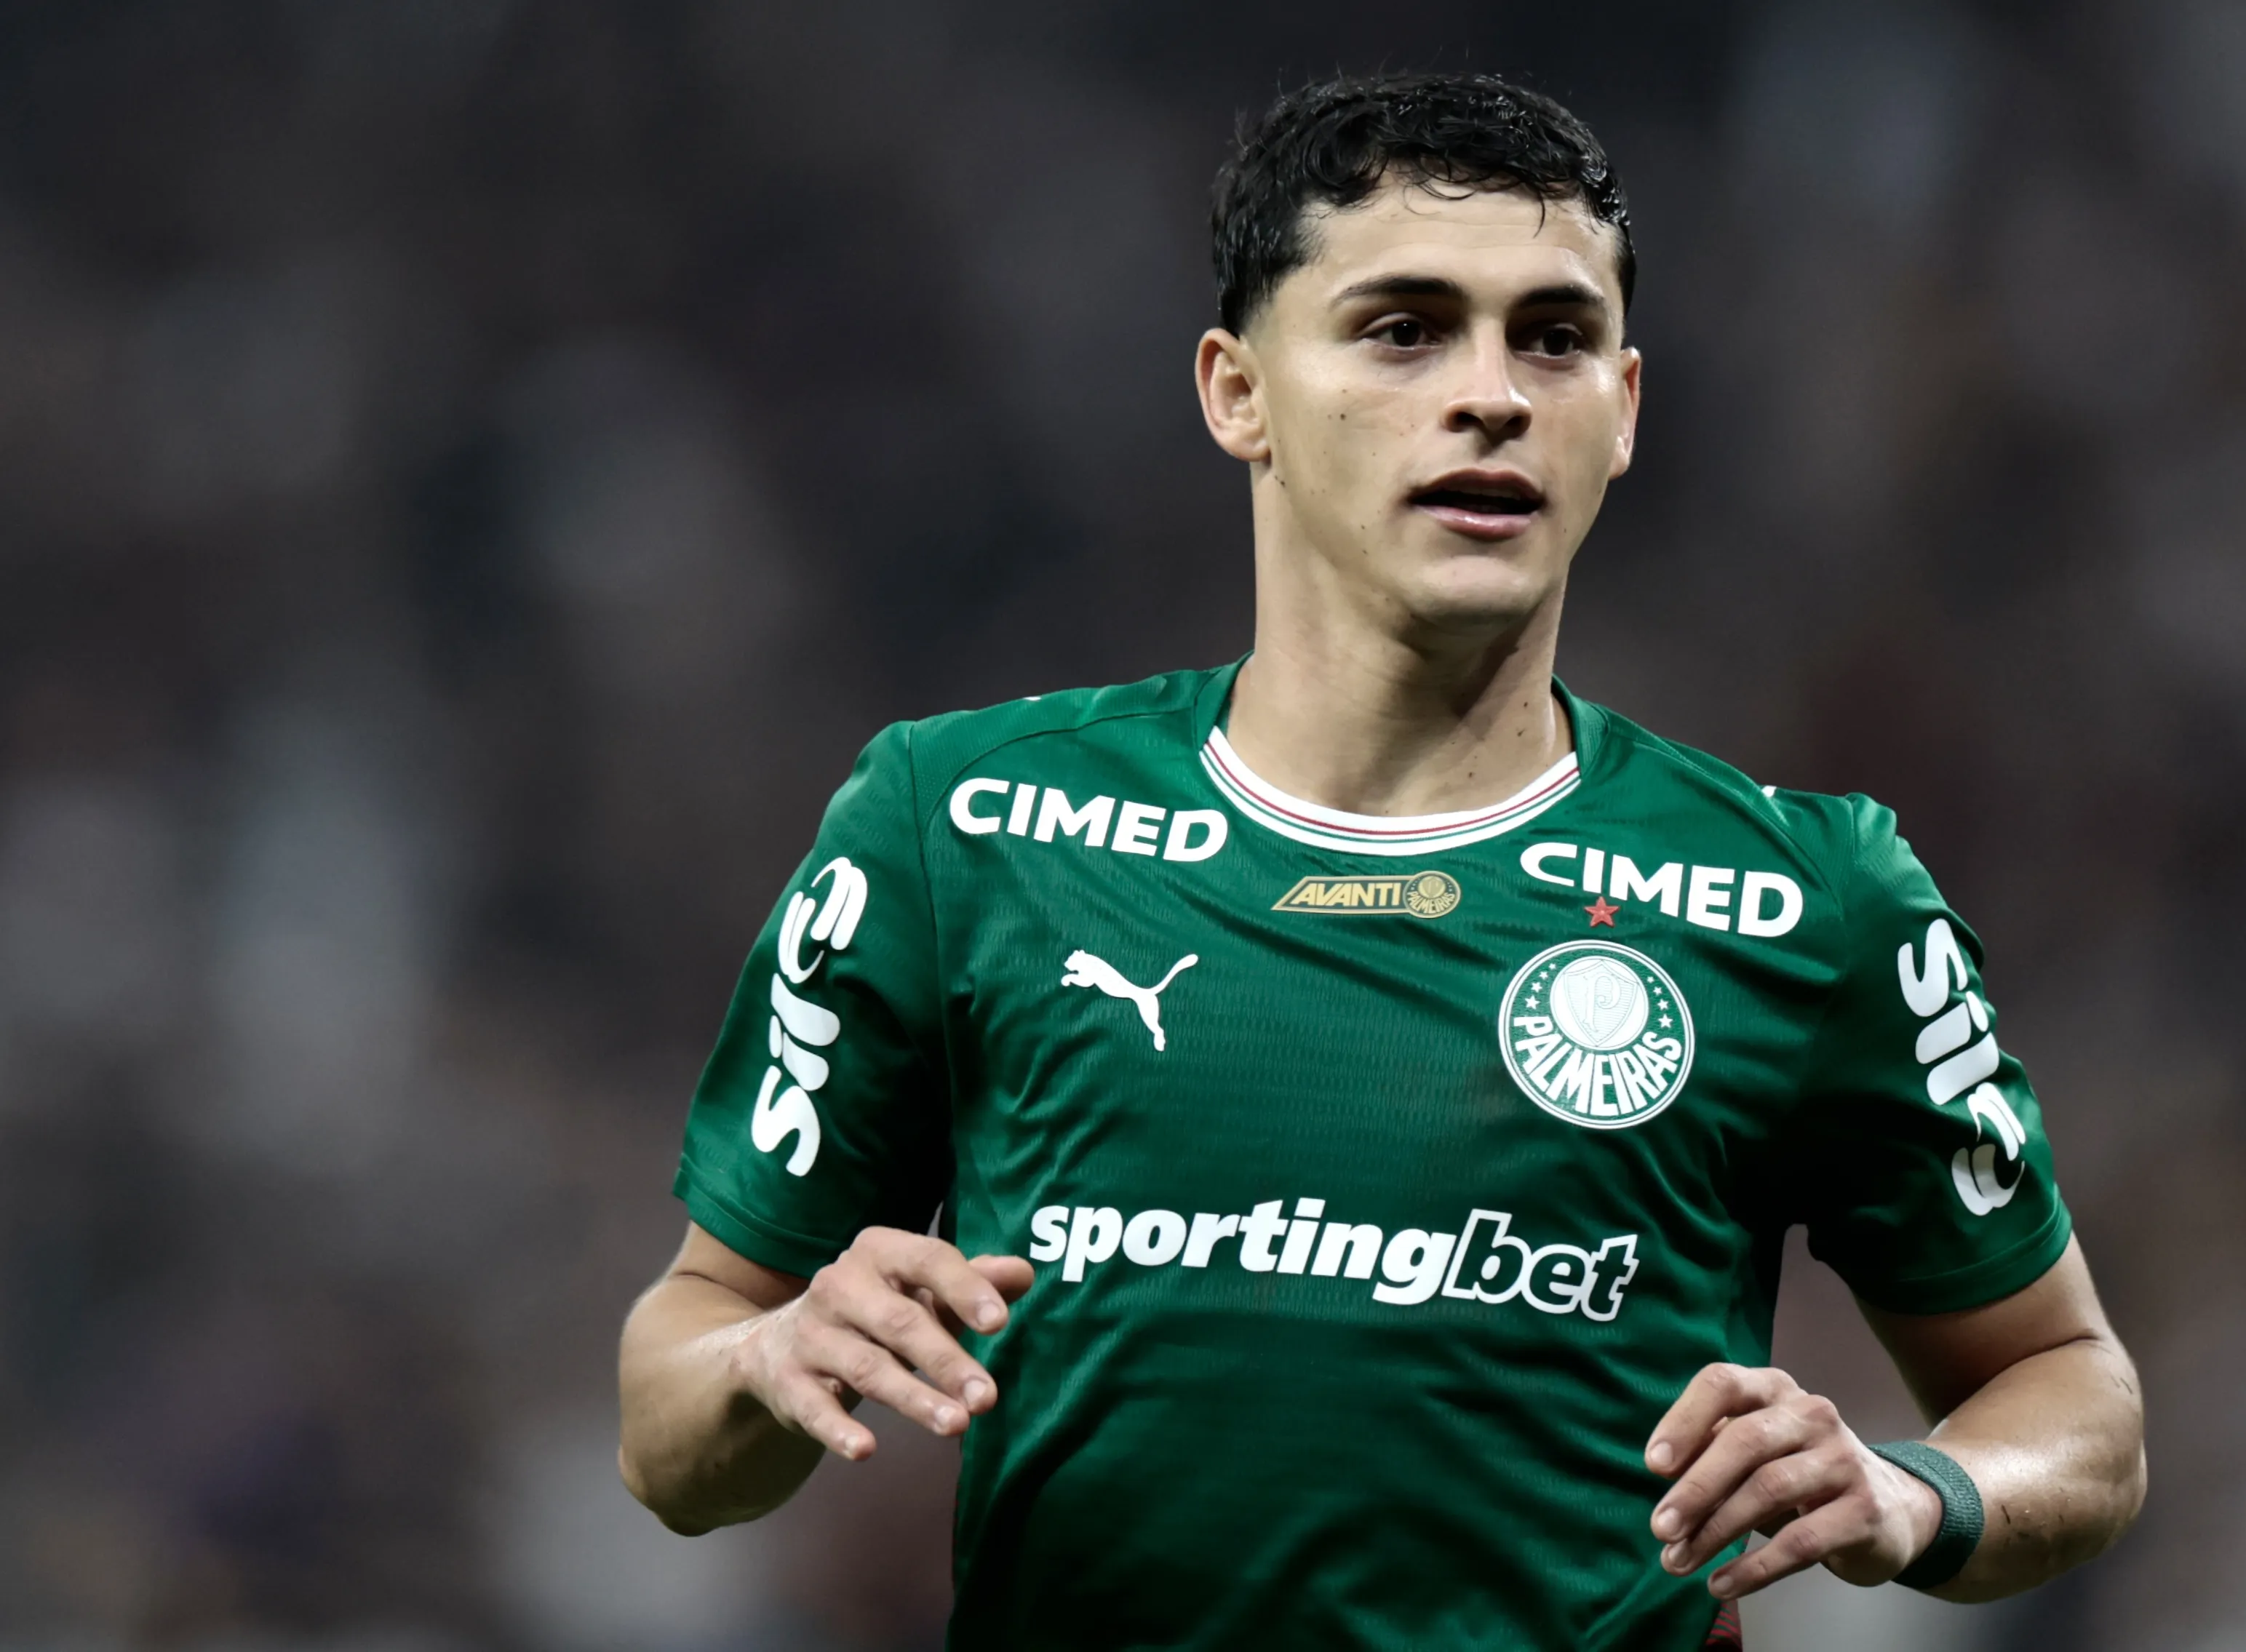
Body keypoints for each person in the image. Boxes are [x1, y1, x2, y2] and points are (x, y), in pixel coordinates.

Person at [616, 70, 2146, 1651]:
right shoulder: (961, 825)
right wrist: (763, 1359)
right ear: (1236, 392)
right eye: (1402, 328)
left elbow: (2069, 1394)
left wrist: (1916, 1496)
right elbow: (674, 1418)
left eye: (1549, 338)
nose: (1489, 393)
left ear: (1621, 409)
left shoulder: (1807, 897)